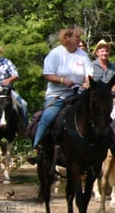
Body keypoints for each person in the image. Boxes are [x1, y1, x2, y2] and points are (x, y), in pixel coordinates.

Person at [30, 25, 92, 163]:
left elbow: (89, 74)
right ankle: (36, 147)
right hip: (58, 95)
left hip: (79, 94)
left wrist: (88, 82)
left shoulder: (82, 55)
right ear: (67, 38)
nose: (79, 40)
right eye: (77, 37)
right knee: (48, 117)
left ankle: (110, 146)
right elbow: (47, 74)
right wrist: (63, 80)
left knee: (97, 115)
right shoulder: (56, 53)